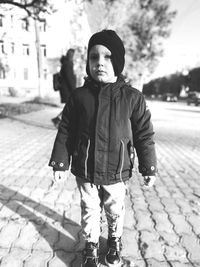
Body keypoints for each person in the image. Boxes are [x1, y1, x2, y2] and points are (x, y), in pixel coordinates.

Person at [49, 29, 157, 267]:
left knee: (114, 209)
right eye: (94, 57)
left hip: (116, 172)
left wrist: (148, 166)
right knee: (89, 209)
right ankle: (91, 244)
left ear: (118, 62)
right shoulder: (79, 97)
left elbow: (144, 135)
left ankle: (115, 241)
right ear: (88, 62)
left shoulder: (132, 98)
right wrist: (60, 162)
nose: (100, 62)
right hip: (85, 169)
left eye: (107, 57)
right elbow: (66, 129)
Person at [52, 48, 76, 128]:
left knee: (70, 106)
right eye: (73, 55)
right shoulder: (68, 63)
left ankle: (58, 119)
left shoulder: (65, 63)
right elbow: (69, 78)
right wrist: (74, 89)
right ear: (71, 55)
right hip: (68, 89)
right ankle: (59, 119)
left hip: (65, 88)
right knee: (72, 106)